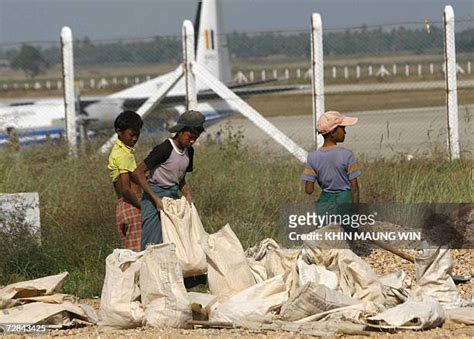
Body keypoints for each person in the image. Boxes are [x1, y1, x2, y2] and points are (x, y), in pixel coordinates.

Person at [133, 110, 205, 251]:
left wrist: (188, 195)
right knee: (152, 242)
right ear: (180, 131)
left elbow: (180, 177)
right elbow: (138, 173)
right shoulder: (165, 149)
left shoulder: (189, 151)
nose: (192, 141)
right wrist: (155, 199)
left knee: (177, 239)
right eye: (190, 137)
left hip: (172, 196)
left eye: (195, 139)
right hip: (153, 195)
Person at [302, 111, 360, 232]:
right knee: (347, 236)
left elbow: (309, 190)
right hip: (345, 201)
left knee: (326, 235)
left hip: (325, 203)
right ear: (333, 132)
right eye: (342, 128)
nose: (345, 132)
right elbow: (354, 188)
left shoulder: (312, 157)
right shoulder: (347, 155)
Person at [107, 110, 143, 251]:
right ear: (119, 132)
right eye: (131, 134)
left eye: (137, 134)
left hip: (124, 207)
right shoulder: (123, 154)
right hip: (132, 206)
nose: (134, 138)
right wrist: (143, 206)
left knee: (131, 252)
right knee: (138, 254)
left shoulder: (121, 150)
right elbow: (126, 189)